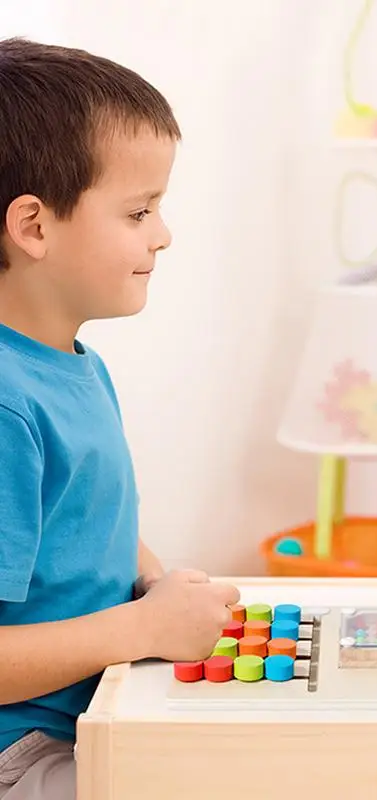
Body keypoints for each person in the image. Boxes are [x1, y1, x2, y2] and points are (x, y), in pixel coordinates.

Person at [0, 38, 240, 799]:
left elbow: (86, 521)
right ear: (34, 227)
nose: (162, 235)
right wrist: (145, 629)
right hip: (24, 752)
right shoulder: (7, 402)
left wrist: (158, 584)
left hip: (88, 713)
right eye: (139, 211)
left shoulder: (73, 364)